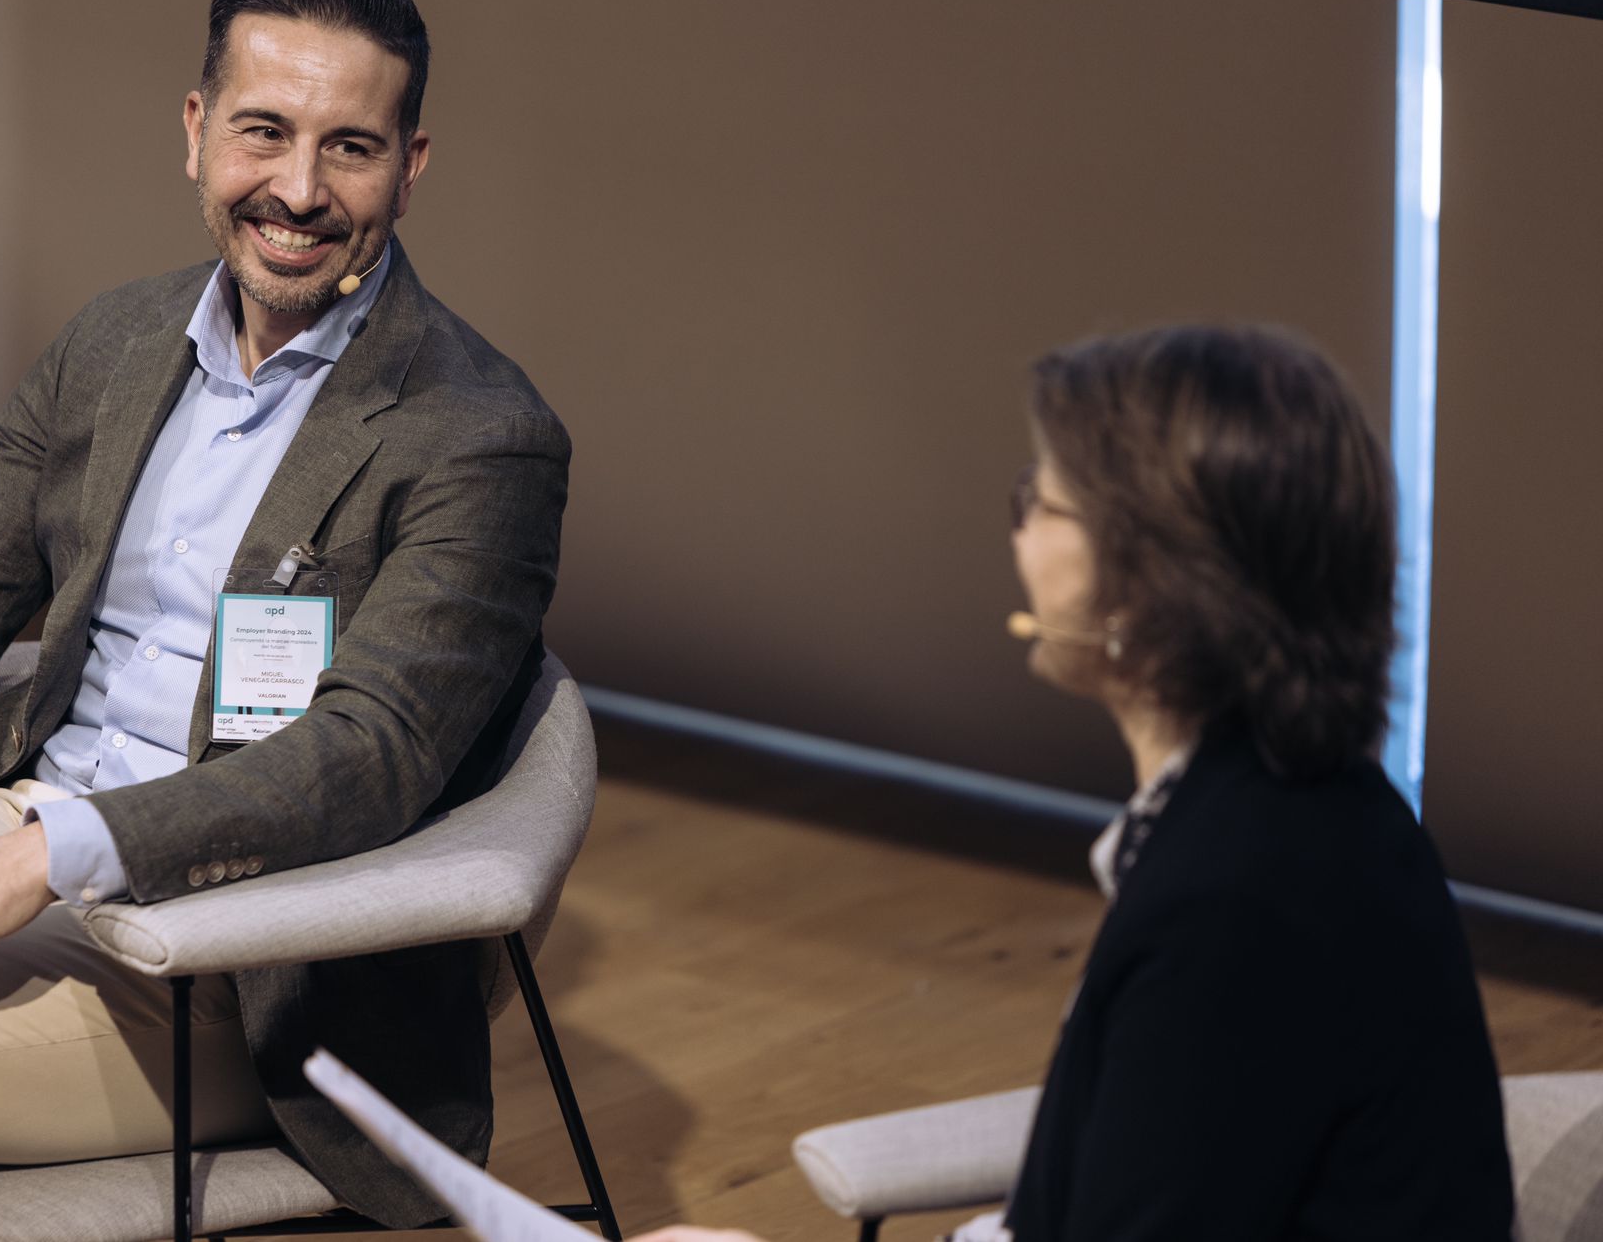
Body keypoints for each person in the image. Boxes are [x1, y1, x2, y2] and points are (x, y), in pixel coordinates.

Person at [0, 0, 568, 1242]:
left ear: (412, 162)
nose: (298, 189)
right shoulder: (114, 341)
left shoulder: (479, 433)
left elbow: (365, 758)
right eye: (264, 132)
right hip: (17, 823)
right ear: (196, 128)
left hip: (243, 953)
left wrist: (55, 858)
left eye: (351, 147)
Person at [645, 324, 1514, 1242]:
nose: (1019, 529)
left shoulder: (1233, 910)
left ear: (1151, 583)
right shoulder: (1295, 813)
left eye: (1045, 502)